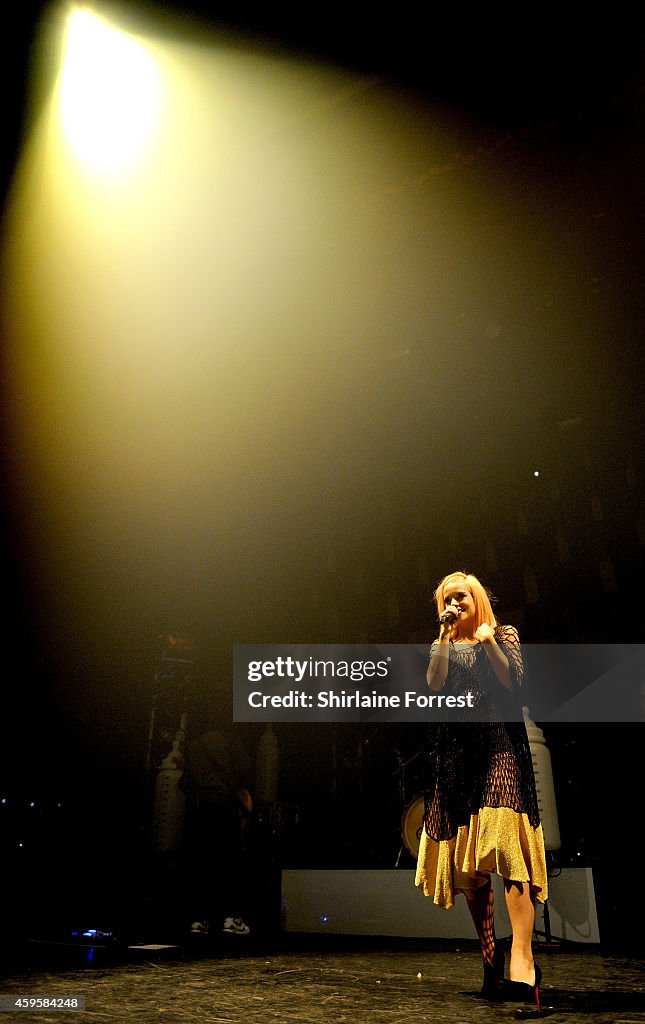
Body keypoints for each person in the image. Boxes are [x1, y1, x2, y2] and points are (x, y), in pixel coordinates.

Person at [415, 571, 548, 1015]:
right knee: (471, 869)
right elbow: (433, 683)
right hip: (459, 757)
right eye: (447, 599)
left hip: (499, 747)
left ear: (478, 600)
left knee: (506, 848)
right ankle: (491, 958)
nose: (454, 603)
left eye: (461, 596)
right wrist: (443, 637)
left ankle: (523, 961)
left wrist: (488, 642)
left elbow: (512, 683)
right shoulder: (445, 644)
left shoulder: (504, 633)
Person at [180, 719, 254, 939]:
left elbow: (184, 783)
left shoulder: (193, 746)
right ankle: (231, 919)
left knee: (200, 864)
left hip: (198, 809)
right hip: (224, 806)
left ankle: (198, 919)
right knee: (229, 863)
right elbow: (243, 772)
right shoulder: (229, 740)